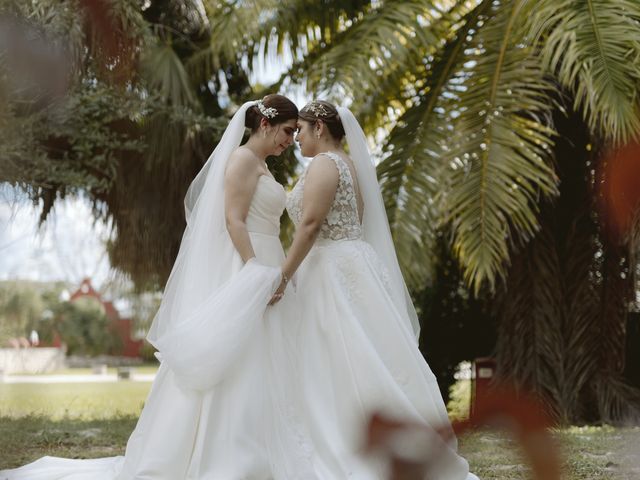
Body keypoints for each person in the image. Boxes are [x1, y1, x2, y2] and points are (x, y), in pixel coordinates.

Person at [0, 94, 315, 479]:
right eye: (287, 131)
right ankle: (226, 450)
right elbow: (233, 221)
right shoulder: (242, 161)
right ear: (265, 124)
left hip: (265, 261)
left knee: (266, 355)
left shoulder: (262, 166)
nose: (290, 140)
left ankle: (264, 443)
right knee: (237, 356)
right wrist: (254, 274)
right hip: (246, 265)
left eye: (294, 133)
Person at [269, 100, 479, 479]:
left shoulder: (324, 164)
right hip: (354, 263)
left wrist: (284, 274)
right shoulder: (349, 164)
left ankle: (347, 441)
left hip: (331, 269)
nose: (296, 137)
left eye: (300, 128)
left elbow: (312, 223)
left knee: (339, 355)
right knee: (368, 352)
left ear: (319, 128)